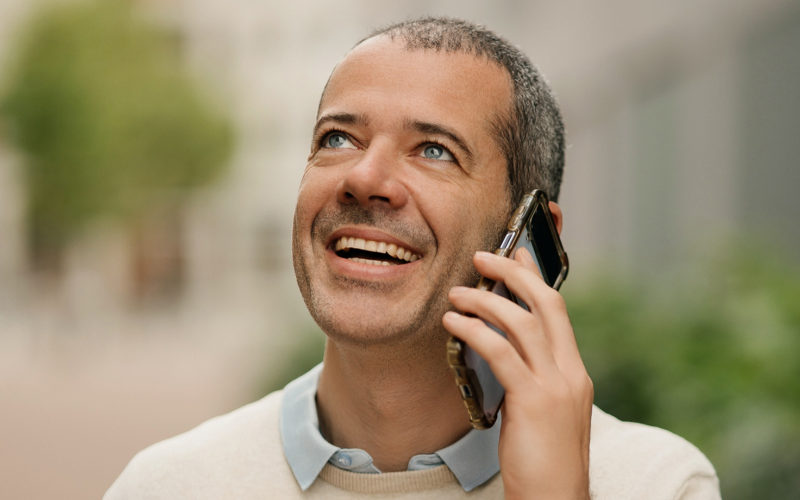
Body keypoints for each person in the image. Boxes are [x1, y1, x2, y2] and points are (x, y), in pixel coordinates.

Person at [105, 17, 720, 499]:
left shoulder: (656, 484)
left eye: (434, 150)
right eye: (337, 139)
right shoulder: (163, 487)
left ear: (530, 233)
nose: (364, 177)